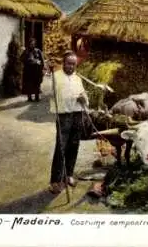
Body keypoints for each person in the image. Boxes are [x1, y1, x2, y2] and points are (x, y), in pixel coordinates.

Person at [48, 51, 89, 194]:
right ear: (63, 63)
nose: (71, 67)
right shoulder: (56, 77)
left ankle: (69, 175)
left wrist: (84, 98)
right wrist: (74, 98)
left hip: (77, 115)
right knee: (61, 148)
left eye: (73, 64)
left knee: (74, 145)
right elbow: (54, 96)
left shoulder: (78, 79)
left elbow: (83, 95)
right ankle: (55, 181)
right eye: (68, 63)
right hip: (63, 116)